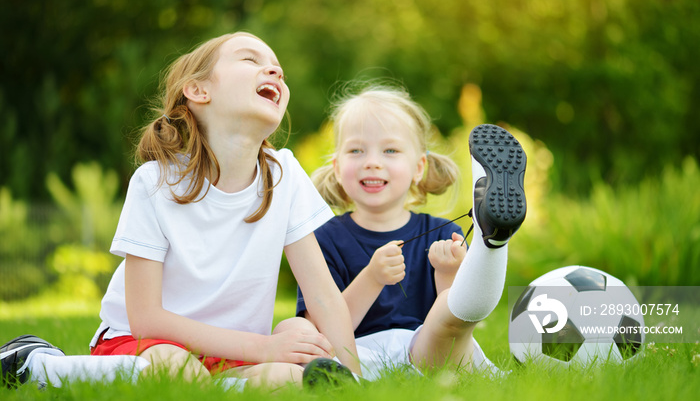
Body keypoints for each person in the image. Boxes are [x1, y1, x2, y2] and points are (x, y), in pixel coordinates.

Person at [2, 32, 360, 391]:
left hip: (234, 351)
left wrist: (355, 379)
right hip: (146, 342)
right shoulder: (155, 182)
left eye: (277, 68)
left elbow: (323, 297)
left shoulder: (284, 175)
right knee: (180, 372)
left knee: (298, 352)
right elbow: (145, 319)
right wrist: (265, 347)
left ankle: (219, 388)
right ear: (199, 90)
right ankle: (38, 365)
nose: (274, 71)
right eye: (251, 59)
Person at [297, 84, 527, 380]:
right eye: (356, 150)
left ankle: (493, 240)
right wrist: (372, 277)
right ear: (338, 167)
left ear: (419, 167)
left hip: (428, 352)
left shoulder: (442, 232)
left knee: (451, 315)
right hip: (353, 358)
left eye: (390, 150)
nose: (372, 162)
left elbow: (456, 321)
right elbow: (320, 331)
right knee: (307, 339)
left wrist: (447, 274)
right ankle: (494, 241)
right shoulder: (321, 239)